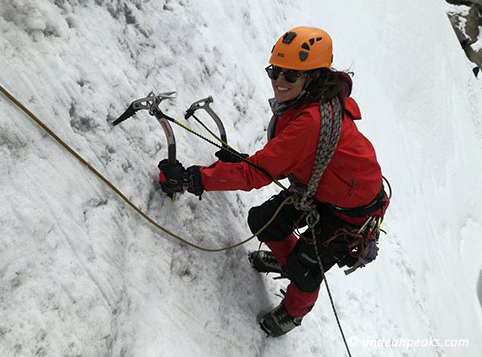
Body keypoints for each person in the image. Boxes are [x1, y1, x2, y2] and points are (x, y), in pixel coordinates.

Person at [158, 26, 389, 337]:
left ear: (313, 76)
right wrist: (249, 162)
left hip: (351, 211)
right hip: (324, 189)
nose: (279, 80)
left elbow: (259, 173)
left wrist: (191, 178)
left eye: (291, 75)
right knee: (264, 221)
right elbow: (280, 159)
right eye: (275, 70)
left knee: (305, 269)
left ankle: (293, 313)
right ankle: (286, 261)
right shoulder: (313, 102)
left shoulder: (310, 120)